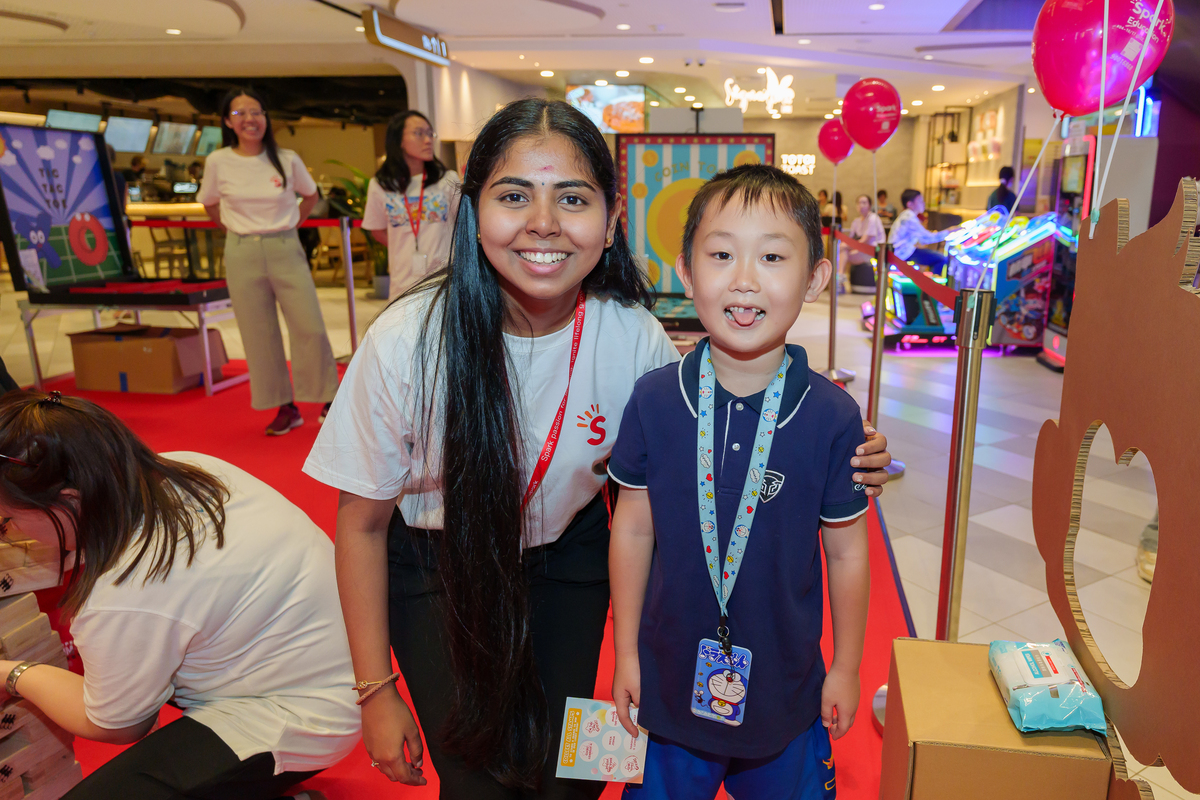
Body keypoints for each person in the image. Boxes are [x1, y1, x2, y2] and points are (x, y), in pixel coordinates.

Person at [304, 98, 894, 799]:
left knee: (577, 774)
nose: (544, 224)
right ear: (473, 210)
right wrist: (376, 691)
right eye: (514, 195)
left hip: (569, 566)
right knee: (477, 778)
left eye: (573, 198)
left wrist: (839, 447)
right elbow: (362, 524)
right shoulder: (408, 339)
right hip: (441, 572)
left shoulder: (631, 334)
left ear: (611, 222)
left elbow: (701, 424)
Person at [608, 165, 870, 799]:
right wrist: (626, 655)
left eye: (773, 256)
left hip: (786, 693)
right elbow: (633, 528)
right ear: (686, 269)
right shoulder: (654, 399)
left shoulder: (832, 414)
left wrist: (847, 668)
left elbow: (847, 549)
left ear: (815, 278)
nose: (745, 279)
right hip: (669, 690)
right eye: (721, 253)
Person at [0, 390, 360, 800]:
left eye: (9, 518)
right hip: (331, 669)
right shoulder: (182, 466)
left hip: (302, 714)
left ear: (69, 502)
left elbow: (115, 724)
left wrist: (15, 674)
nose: (10, 532)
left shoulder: (126, 589)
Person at [198, 87, 339, 436]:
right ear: (228, 122)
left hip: (284, 246)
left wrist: (291, 224)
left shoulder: (286, 158)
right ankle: (284, 407)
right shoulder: (218, 161)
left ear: (266, 118)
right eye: (239, 113)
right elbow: (211, 203)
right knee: (258, 332)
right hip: (242, 250)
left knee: (309, 324)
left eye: (256, 112)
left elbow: (310, 195)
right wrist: (236, 230)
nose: (249, 119)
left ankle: (328, 398)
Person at [362, 111, 461, 301]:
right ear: (399, 140)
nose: (427, 140)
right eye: (419, 133)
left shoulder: (447, 180)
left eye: (430, 133)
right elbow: (377, 230)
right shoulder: (381, 185)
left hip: (443, 283)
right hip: (402, 285)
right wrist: (407, 248)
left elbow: (463, 224)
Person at [888, 189, 954, 275]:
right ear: (909, 204)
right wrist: (949, 231)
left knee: (935, 256)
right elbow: (927, 238)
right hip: (903, 253)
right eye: (920, 201)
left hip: (900, 251)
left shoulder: (906, 215)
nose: (923, 203)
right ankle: (930, 287)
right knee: (941, 258)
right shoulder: (909, 217)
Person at [842, 193, 886, 293]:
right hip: (861, 249)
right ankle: (841, 276)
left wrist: (845, 246)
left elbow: (864, 240)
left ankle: (840, 277)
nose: (861, 205)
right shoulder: (856, 221)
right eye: (859, 203)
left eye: (864, 203)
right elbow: (852, 239)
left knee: (843, 251)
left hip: (873, 252)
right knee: (843, 250)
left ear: (870, 205)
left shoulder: (873, 218)